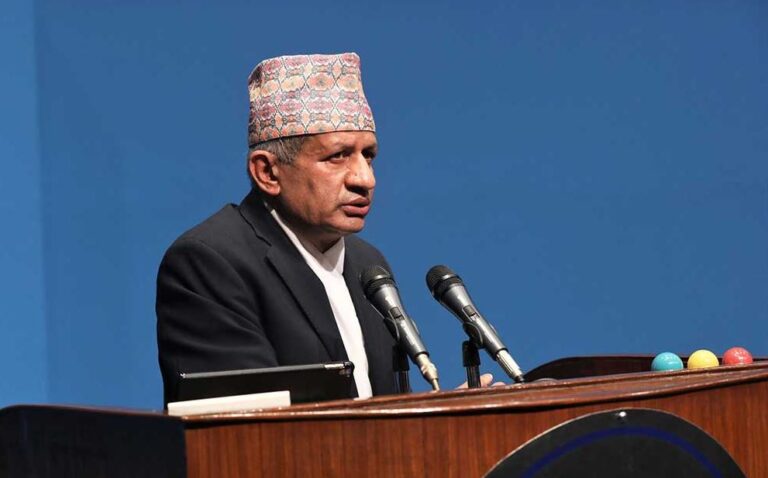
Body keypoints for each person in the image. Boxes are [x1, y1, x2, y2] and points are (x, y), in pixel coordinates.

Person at [156, 52, 398, 405]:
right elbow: (250, 425)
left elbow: (387, 411)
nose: (365, 179)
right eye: (337, 156)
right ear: (267, 172)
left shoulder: (368, 266)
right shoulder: (210, 263)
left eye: (369, 155)